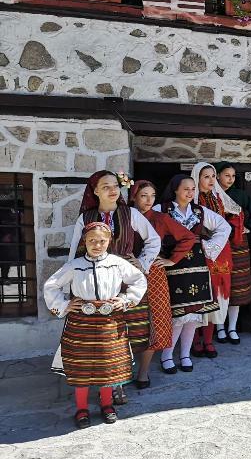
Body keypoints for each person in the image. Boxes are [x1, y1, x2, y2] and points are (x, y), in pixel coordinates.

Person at [60, 169, 160, 405]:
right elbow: (74, 253)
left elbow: (153, 240)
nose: (112, 190)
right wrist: (69, 292)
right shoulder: (85, 218)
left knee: (124, 334)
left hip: (124, 280)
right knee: (100, 336)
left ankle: (117, 385)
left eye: (115, 185)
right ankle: (96, 382)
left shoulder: (130, 214)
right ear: (95, 191)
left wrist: (142, 262)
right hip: (94, 281)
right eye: (105, 186)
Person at [44, 222, 147, 428]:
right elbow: (51, 285)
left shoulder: (117, 263)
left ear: (109, 241)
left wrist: (126, 300)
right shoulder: (75, 265)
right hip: (81, 323)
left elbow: (138, 279)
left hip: (110, 322)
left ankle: (107, 404)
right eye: (92, 240)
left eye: (102, 241)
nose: (97, 245)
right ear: (85, 241)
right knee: (81, 367)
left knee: (107, 366)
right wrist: (64, 305)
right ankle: (81, 409)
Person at [153, 174, 231, 374]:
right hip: (173, 268)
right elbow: (146, 230)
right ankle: (167, 355)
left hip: (197, 266)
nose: (190, 192)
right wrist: (155, 254)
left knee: (193, 316)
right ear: (175, 190)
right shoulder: (161, 210)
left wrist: (208, 246)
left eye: (193, 189)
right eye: (186, 188)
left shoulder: (199, 211)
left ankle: (185, 355)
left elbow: (224, 226)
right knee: (177, 315)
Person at [128, 180, 195, 389]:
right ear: (134, 197)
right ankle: (121, 373)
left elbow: (188, 237)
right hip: (126, 273)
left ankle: (143, 372)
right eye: (143, 196)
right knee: (128, 320)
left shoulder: (161, 218)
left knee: (153, 322)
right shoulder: (123, 216)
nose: (148, 201)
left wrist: (172, 260)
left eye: (152, 196)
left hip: (154, 274)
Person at [191, 162, 242, 352]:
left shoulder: (219, 198)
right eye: (206, 176)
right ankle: (196, 338)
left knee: (217, 294)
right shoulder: (192, 199)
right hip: (200, 249)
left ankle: (208, 339)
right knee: (199, 292)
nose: (211, 180)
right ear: (197, 178)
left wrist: (230, 227)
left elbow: (237, 212)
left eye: (213, 176)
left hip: (221, 251)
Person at [216, 162, 251, 339]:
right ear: (218, 175)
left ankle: (232, 327)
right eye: (227, 175)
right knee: (220, 286)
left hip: (239, 244)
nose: (230, 179)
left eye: (233, 176)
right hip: (218, 245)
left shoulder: (241, 195)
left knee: (238, 287)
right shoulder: (211, 195)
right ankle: (220, 327)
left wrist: (248, 227)